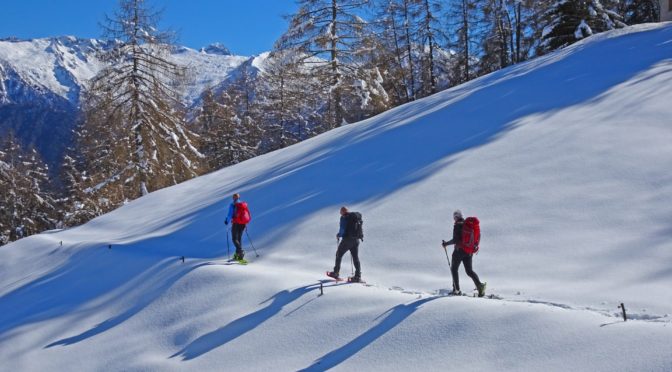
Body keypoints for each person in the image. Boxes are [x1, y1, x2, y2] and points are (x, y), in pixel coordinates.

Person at [442, 209, 486, 297]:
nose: (454, 219)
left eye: (454, 217)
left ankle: (456, 290)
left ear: (456, 217)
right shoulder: (468, 225)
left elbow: (455, 240)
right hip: (469, 252)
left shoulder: (458, 225)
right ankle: (480, 286)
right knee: (469, 271)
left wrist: (446, 244)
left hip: (459, 251)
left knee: (454, 269)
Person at [327, 206, 363, 282]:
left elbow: (342, 230)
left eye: (340, 212)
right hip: (356, 240)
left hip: (347, 240)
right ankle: (357, 276)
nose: (340, 213)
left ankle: (336, 273)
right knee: (355, 258)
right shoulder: (354, 217)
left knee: (338, 254)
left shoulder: (344, 218)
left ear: (342, 212)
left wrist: (339, 235)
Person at [224, 193, 251, 261]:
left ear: (233, 198)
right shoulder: (243, 204)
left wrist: (227, 221)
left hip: (236, 223)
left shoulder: (233, 205)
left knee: (234, 239)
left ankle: (240, 251)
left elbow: (230, 214)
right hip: (243, 224)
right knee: (239, 239)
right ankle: (238, 255)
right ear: (239, 197)